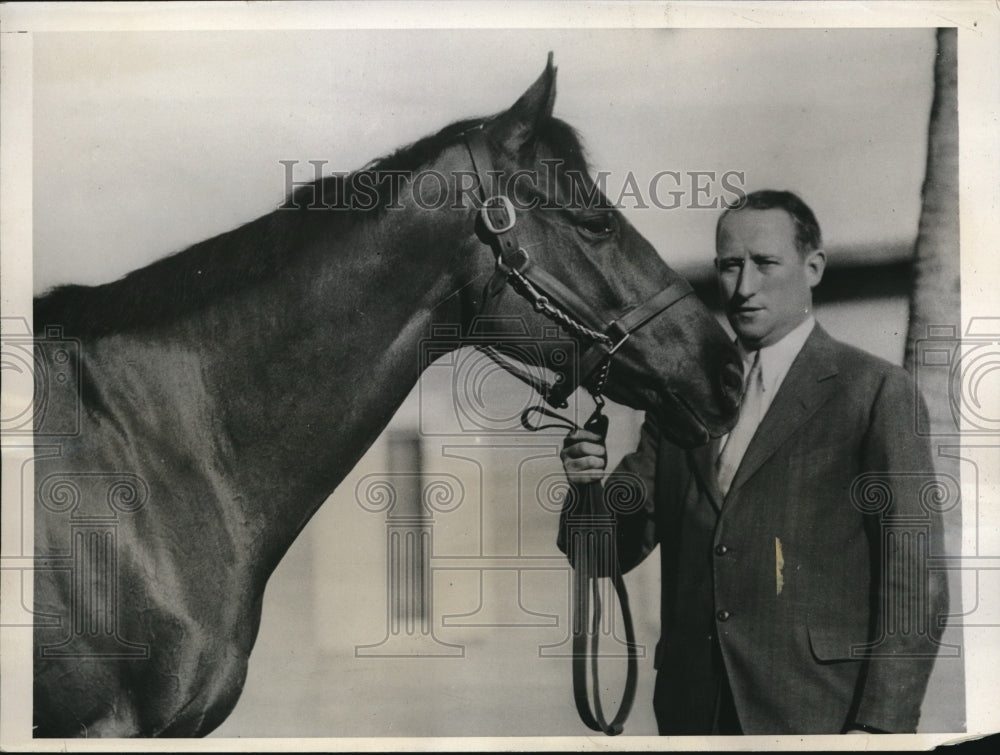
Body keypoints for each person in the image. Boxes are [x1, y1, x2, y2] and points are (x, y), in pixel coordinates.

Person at [559, 190, 949, 735]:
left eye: (765, 263)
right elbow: (605, 554)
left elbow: (915, 583)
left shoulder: (875, 392)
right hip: (693, 718)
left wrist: (881, 729)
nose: (743, 287)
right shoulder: (680, 400)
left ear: (813, 268)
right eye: (729, 266)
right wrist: (585, 488)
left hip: (821, 717)